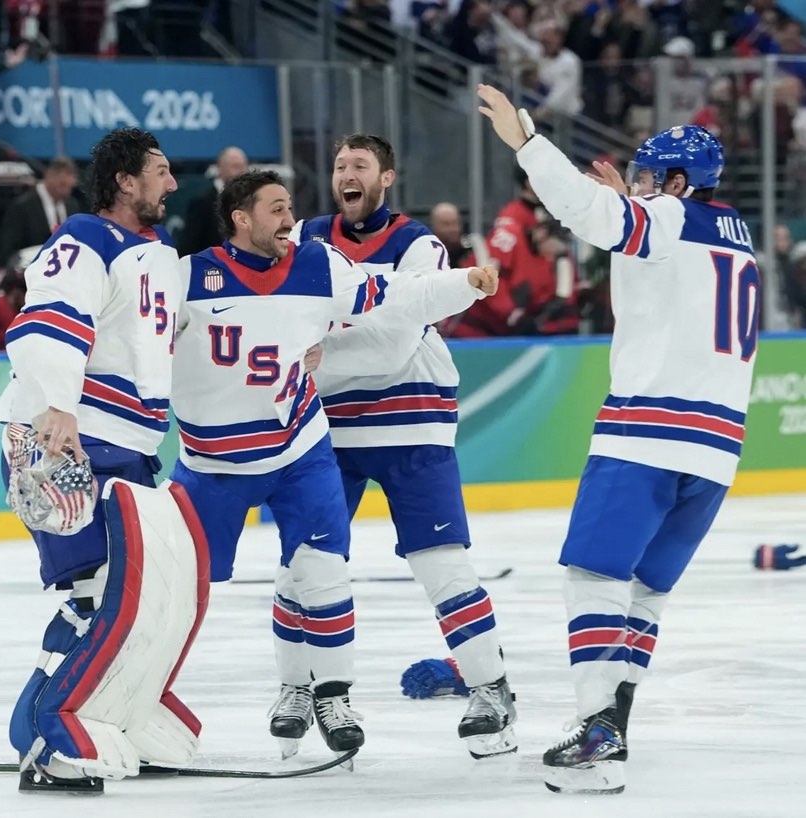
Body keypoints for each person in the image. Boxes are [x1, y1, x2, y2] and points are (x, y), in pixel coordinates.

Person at [478, 85, 759, 795]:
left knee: (592, 576)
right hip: (717, 449)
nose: (637, 186)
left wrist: (527, 142)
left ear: (677, 183)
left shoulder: (669, 216)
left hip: (649, 433)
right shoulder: (735, 234)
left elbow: (585, 211)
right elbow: (656, 261)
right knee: (645, 593)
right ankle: (615, 720)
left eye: (648, 177)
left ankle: (598, 729)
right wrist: (632, 210)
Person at [170, 170, 499, 757]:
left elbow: (399, 301)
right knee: (183, 588)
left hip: (316, 444)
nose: (288, 219)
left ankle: (338, 694)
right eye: (276, 209)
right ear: (241, 218)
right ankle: (267, 688)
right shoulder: (189, 276)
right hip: (216, 459)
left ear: (386, 175)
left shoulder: (325, 262)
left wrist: (464, 284)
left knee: (328, 569)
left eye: (289, 207)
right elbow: (133, 338)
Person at [287, 134, 517, 760]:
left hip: (411, 420)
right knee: (303, 562)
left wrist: (323, 346)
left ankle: (491, 689)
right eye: (340, 165)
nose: (347, 173)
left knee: (441, 562)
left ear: (385, 177)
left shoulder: (419, 244)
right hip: (329, 426)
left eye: (360, 165)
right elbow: (287, 318)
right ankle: (306, 689)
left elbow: (394, 343)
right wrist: (358, 322)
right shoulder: (305, 237)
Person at [0, 127, 200, 793]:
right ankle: (46, 731)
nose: (172, 183)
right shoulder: (84, 239)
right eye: (160, 171)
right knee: (97, 594)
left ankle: (117, 710)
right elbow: (46, 322)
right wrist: (57, 405)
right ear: (125, 181)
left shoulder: (160, 255)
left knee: (149, 593)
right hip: (67, 441)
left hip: (128, 447)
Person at [0, 157, 81, 265]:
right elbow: (9, 247)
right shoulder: (22, 206)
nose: (66, 191)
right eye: (62, 184)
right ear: (49, 176)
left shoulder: (72, 205)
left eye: (70, 187)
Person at [176, 145, 249, 255]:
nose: (241, 172)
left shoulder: (250, 202)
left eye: (244, 167)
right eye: (235, 167)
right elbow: (188, 246)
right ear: (220, 168)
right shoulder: (201, 203)